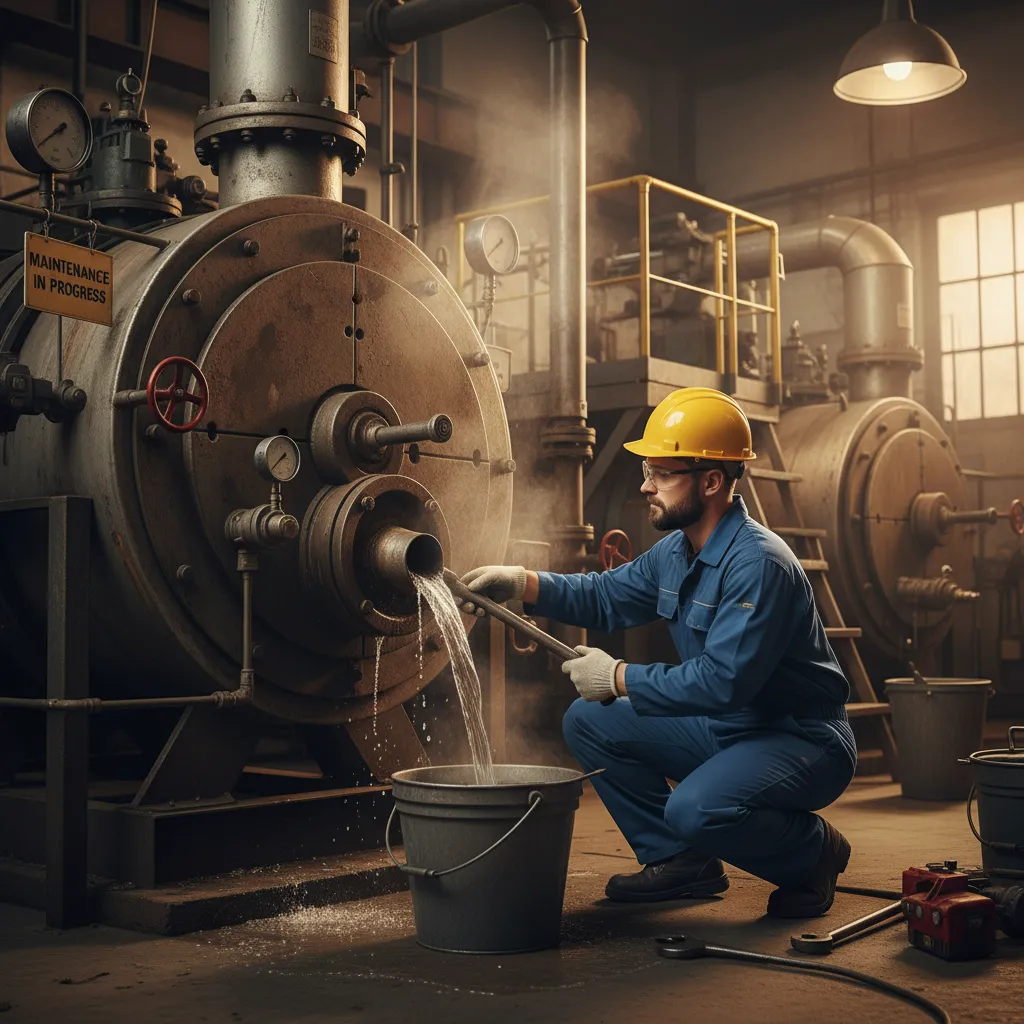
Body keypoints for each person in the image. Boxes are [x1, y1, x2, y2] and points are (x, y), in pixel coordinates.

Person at [461, 387, 857, 918]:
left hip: (798, 739)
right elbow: (605, 596)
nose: (645, 486)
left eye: (662, 473)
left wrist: (619, 676)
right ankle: (680, 861)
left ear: (711, 481)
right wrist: (523, 581)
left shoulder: (759, 565)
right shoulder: (678, 549)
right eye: (647, 470)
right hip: (726, 728)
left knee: (694, 807)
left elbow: (722, 682)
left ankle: (813, 853)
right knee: (588, 720)